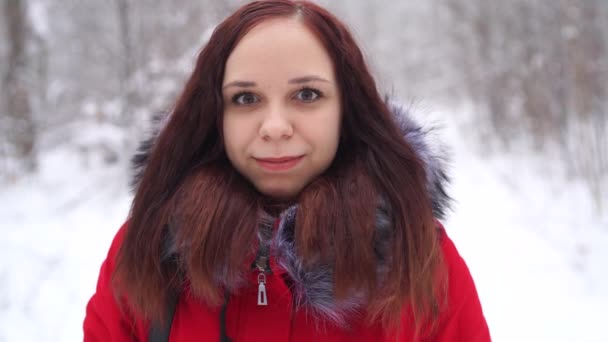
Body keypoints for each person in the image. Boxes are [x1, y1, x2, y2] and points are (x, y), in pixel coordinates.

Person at [83, 1, 491, 341]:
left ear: (346, 110)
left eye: (307, 94)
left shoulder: (420, 258)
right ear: (214, 115)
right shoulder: (146, 250)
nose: (274, 126)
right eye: (245, 98)